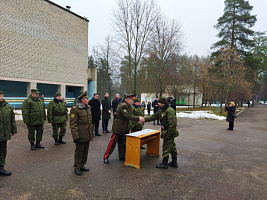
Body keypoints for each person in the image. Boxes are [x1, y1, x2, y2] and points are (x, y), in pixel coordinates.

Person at [103, 94, 144, 164]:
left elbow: (130, 116)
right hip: (118, 127)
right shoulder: (123, 106)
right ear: (127, 100)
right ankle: (106, 156)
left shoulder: (129, 106)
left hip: (124, 127)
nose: (133, 101)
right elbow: (127, 116)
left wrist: (137, 120)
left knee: (122, 143)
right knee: (112, 143)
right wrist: (138, 118)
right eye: (131, 100)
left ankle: (122, 156)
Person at [141, 96, 179, 169]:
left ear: (163, 103)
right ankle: (174, 162)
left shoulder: (169, 111)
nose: (158, 103)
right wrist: (144, 119)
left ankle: (165, 163)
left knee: (166, 147)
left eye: (159, 102)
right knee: (172, 147)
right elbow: (154, 116)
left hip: (169, 131)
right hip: (166, 131)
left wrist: (169, 135)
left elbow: (173, 124)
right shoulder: (162, 110)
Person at [70, 91, 94, 176]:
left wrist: (91, 133)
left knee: (85, 151)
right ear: (82, 100)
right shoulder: (75, 110)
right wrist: (75, 136)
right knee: (79, 152)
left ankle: (82, 165)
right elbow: (73, 124)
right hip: (80, 135)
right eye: (86, 98)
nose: (88, 100)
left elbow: (90, 122)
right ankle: (77, 167)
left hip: (87, 134)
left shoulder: (88, 108)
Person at [0, 91, 17, 176]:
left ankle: (1, 168)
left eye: (2, 95)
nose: (1, 97)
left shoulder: (7, 106)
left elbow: (12, 120)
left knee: (3, 151)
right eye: (0, 96)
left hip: (4, 134)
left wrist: (13, 130)